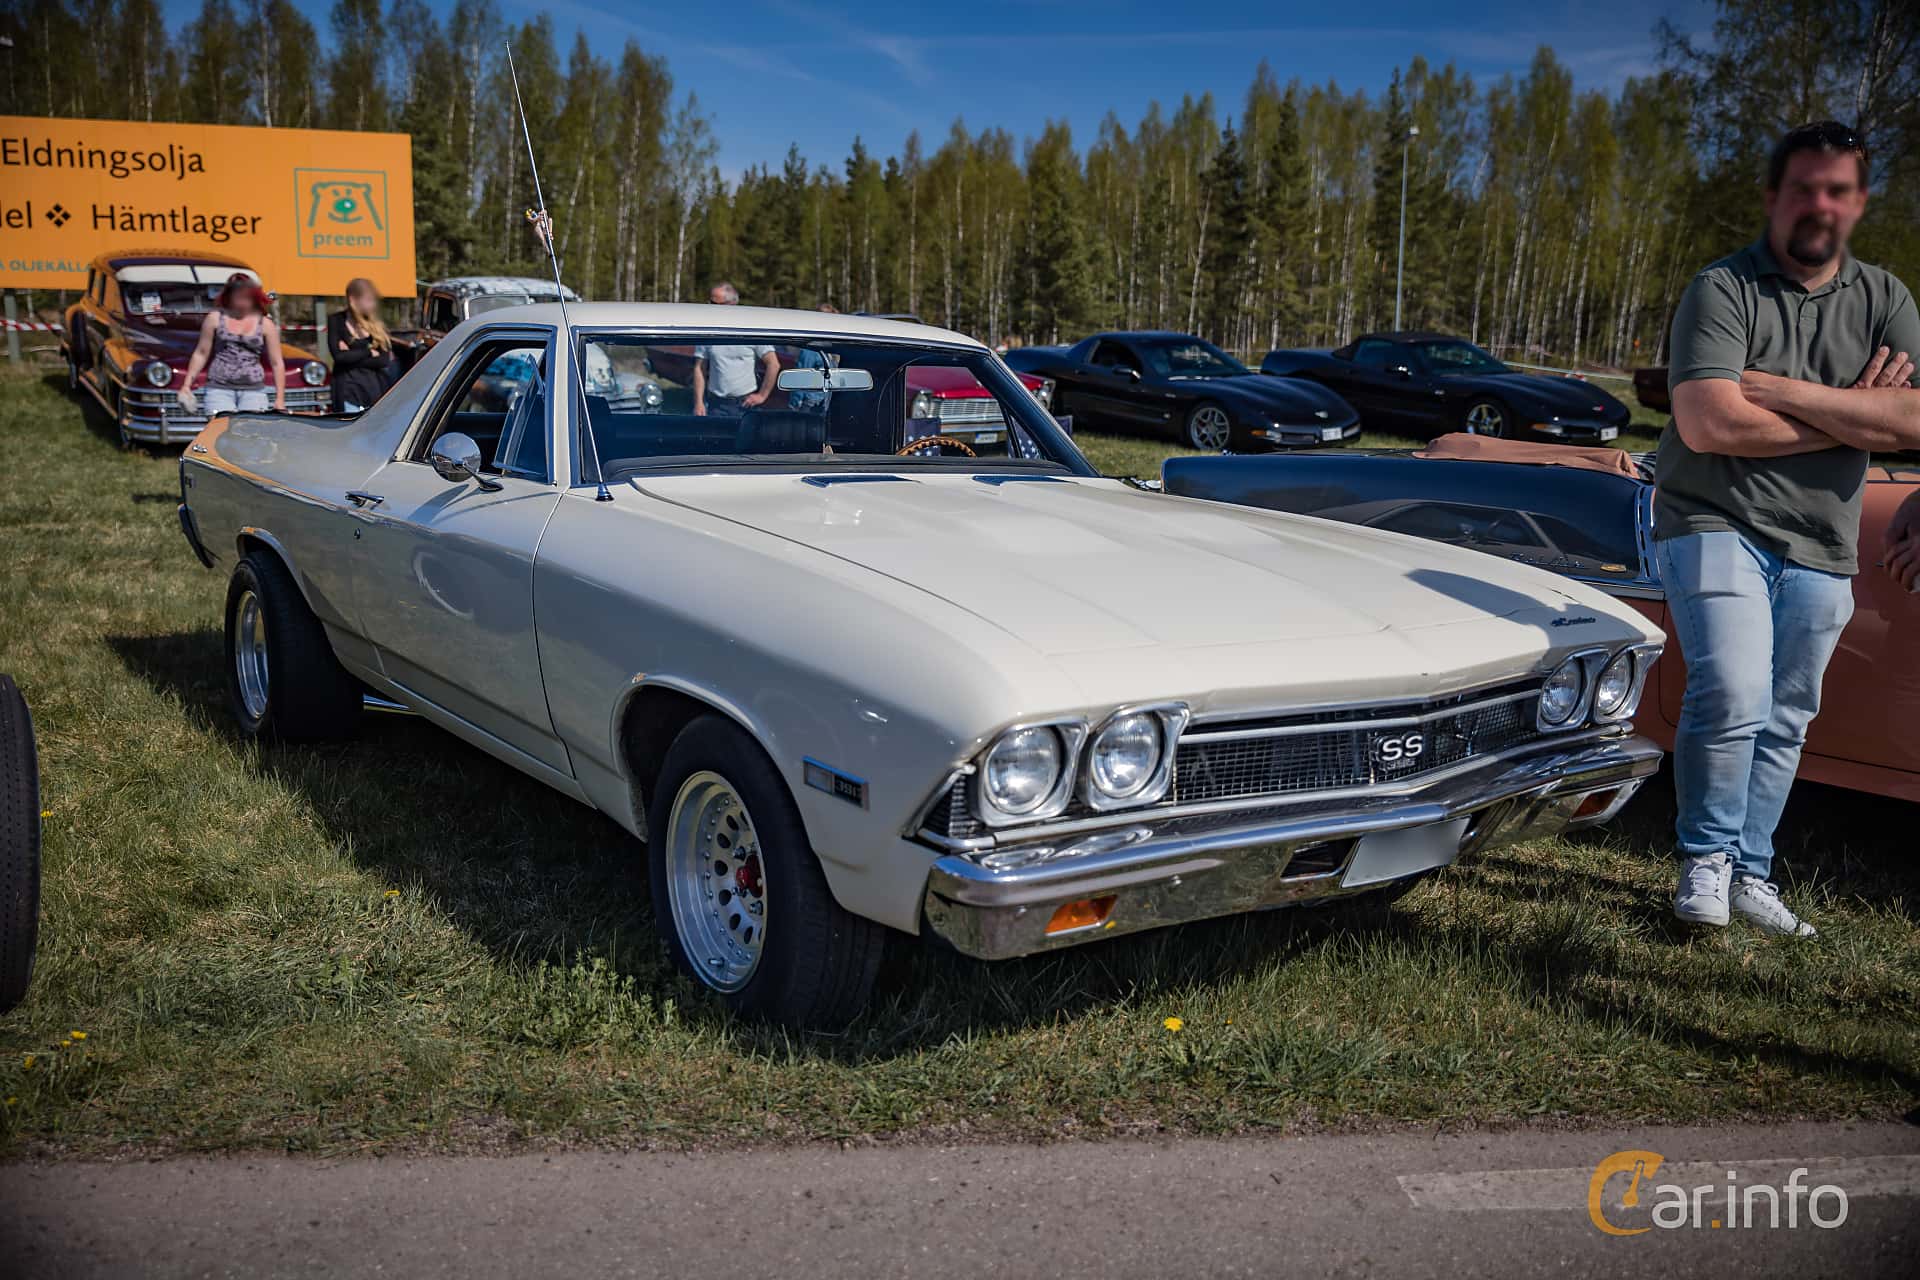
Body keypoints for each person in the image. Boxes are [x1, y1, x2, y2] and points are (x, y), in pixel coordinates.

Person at [1661, 121, 1920, 937]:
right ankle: (1704, 858)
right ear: (1774, 198)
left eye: (1838, 190)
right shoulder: (1722, 289)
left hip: (1822, 538)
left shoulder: (1886, 298)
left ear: (1859, 203)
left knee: (1788, 712)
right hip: (1713, 517)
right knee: (1733, 688)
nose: (1821, 204)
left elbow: (1913, 419)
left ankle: (1750, 873)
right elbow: (1709, 425)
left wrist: (1773, 389)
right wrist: (1856, 414)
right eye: (1804, 187)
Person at [179, 273, 285, 416]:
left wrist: (280, 398)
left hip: (253, 390)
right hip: (219, 388)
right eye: (239, 297)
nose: (242, 303)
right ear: (229, 297)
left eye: (247, 298)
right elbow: (201, 353)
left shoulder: (265, 324)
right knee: (219, 431)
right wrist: (186, 385)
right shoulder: (215, 319)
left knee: (250, 434)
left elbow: (277, 362)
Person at [692, 281, 777, 417]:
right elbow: (699, 368)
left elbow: (773, 363)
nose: (709, 306)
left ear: (730, 305)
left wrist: (762, 395)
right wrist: (698, 402)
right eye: (709, 302)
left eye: (714, 303)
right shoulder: (708, 330)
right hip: (716, 405)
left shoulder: (750, 329)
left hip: (745, 404)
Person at [327, 278, 398, 413]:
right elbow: (339, 358)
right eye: (368, 300)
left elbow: (383, 360)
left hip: (373, 391)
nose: (373, 305)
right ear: (353, 300)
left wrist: (350, 355)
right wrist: (369, 352)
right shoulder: (336, 321)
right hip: (347, 392)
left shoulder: (375, 325)